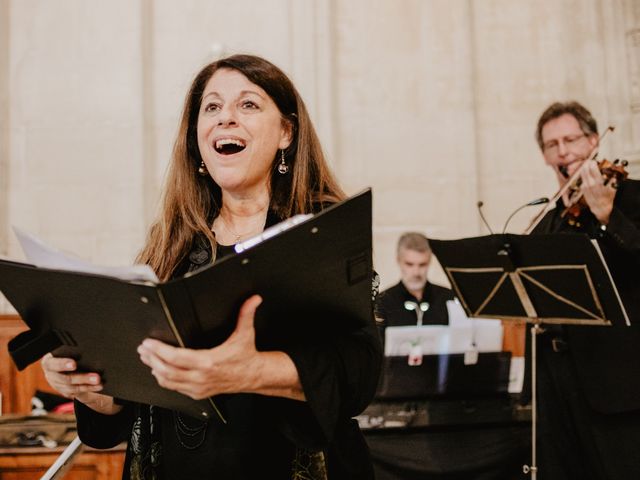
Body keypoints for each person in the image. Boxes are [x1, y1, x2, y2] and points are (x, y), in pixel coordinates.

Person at [41, 54, 382, 480]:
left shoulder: (323, 233)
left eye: (248, 105)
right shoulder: (170, 246)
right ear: (197, 138)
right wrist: (92, 390)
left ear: (286, 132)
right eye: (212, 107)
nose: (226, 119)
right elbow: (129, 407)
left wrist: (252, 372)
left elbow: (358, 371)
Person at [529, 101, 640, 479]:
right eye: (551, 144)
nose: (563, 152)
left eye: (571, 140)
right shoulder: (550, 220)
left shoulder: (631, 198)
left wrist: (609, 216)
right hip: (558, 379)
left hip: (616, 382)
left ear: (593, 141)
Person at [376, 232, 454, 328]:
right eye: (409, 264)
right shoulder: (382, 303)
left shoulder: (448, 299)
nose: (416, 272)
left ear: (429, 261)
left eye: (422, 264)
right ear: (398, 260)